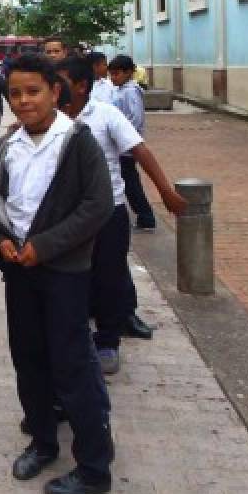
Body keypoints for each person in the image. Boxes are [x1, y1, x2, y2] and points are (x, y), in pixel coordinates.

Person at [0, 54, 115, 494]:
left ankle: (95, 465)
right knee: (29, 357)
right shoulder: (10, 144)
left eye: (33, 91)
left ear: (55, 92)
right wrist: (1, 238)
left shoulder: (76, 141)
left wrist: (48, 244)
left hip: (64, 273)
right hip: (19, 271)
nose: (23, 101)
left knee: (72, 363)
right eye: (15, 93)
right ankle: (42, 440)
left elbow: (97, 205)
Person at [53, 57, 187, 373]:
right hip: (66, 217)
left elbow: (140, 151)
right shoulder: (51, 119)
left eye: (60, 81)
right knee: (72, 278)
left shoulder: (106, 115)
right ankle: (76, 339)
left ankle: (108, 341)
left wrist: (165, 191)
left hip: (108, 212)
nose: (54, 88)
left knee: (109, 278)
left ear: (81, 85)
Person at [109, 55, 156, 232]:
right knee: (128, 181)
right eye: (111, 75)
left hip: (127, 146)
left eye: (117, 74)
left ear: (129, 73)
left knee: (130, 182)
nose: (113, 78)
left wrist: (121, 135)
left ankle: (146, 216)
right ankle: (143, 215)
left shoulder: (130, 91)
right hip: (121, 145)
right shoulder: (121, 90)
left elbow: (135, 117)